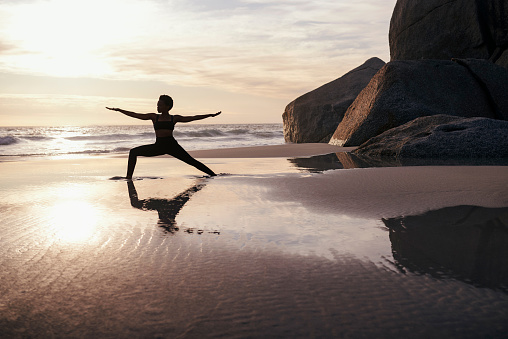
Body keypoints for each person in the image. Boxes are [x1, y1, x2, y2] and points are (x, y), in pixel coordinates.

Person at [106, 95, 220, 179]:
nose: (157, 106)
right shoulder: (154, 117)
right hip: (158, 146)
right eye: (157, 104)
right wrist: (120, 110)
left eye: (160, 104)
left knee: (192, 161)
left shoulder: (174, 118)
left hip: (172, 146)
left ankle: (214, 175)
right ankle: (128, 178)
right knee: (133, 152)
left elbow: (192, 118)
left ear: (167, 106)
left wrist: (209, 115)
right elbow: (136, 115)